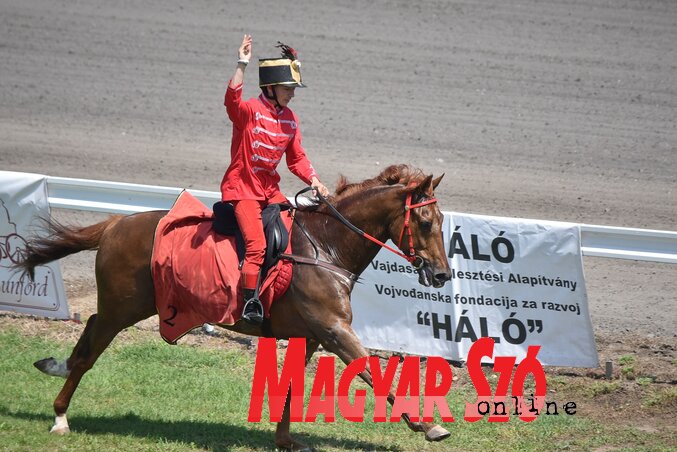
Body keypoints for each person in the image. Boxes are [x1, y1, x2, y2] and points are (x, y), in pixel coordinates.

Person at [221, 34, 329, 325]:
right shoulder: (249, 111)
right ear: (269, 87)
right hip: (242, 189)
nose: (292, 93)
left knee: (294, 236)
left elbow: (297, 159)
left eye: (293, 88)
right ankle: (249, 304)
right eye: (287, 88)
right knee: (256, 246)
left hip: (270, 191)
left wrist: (315, 180)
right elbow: (231, 101)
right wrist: (241, 64)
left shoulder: (290, 118)